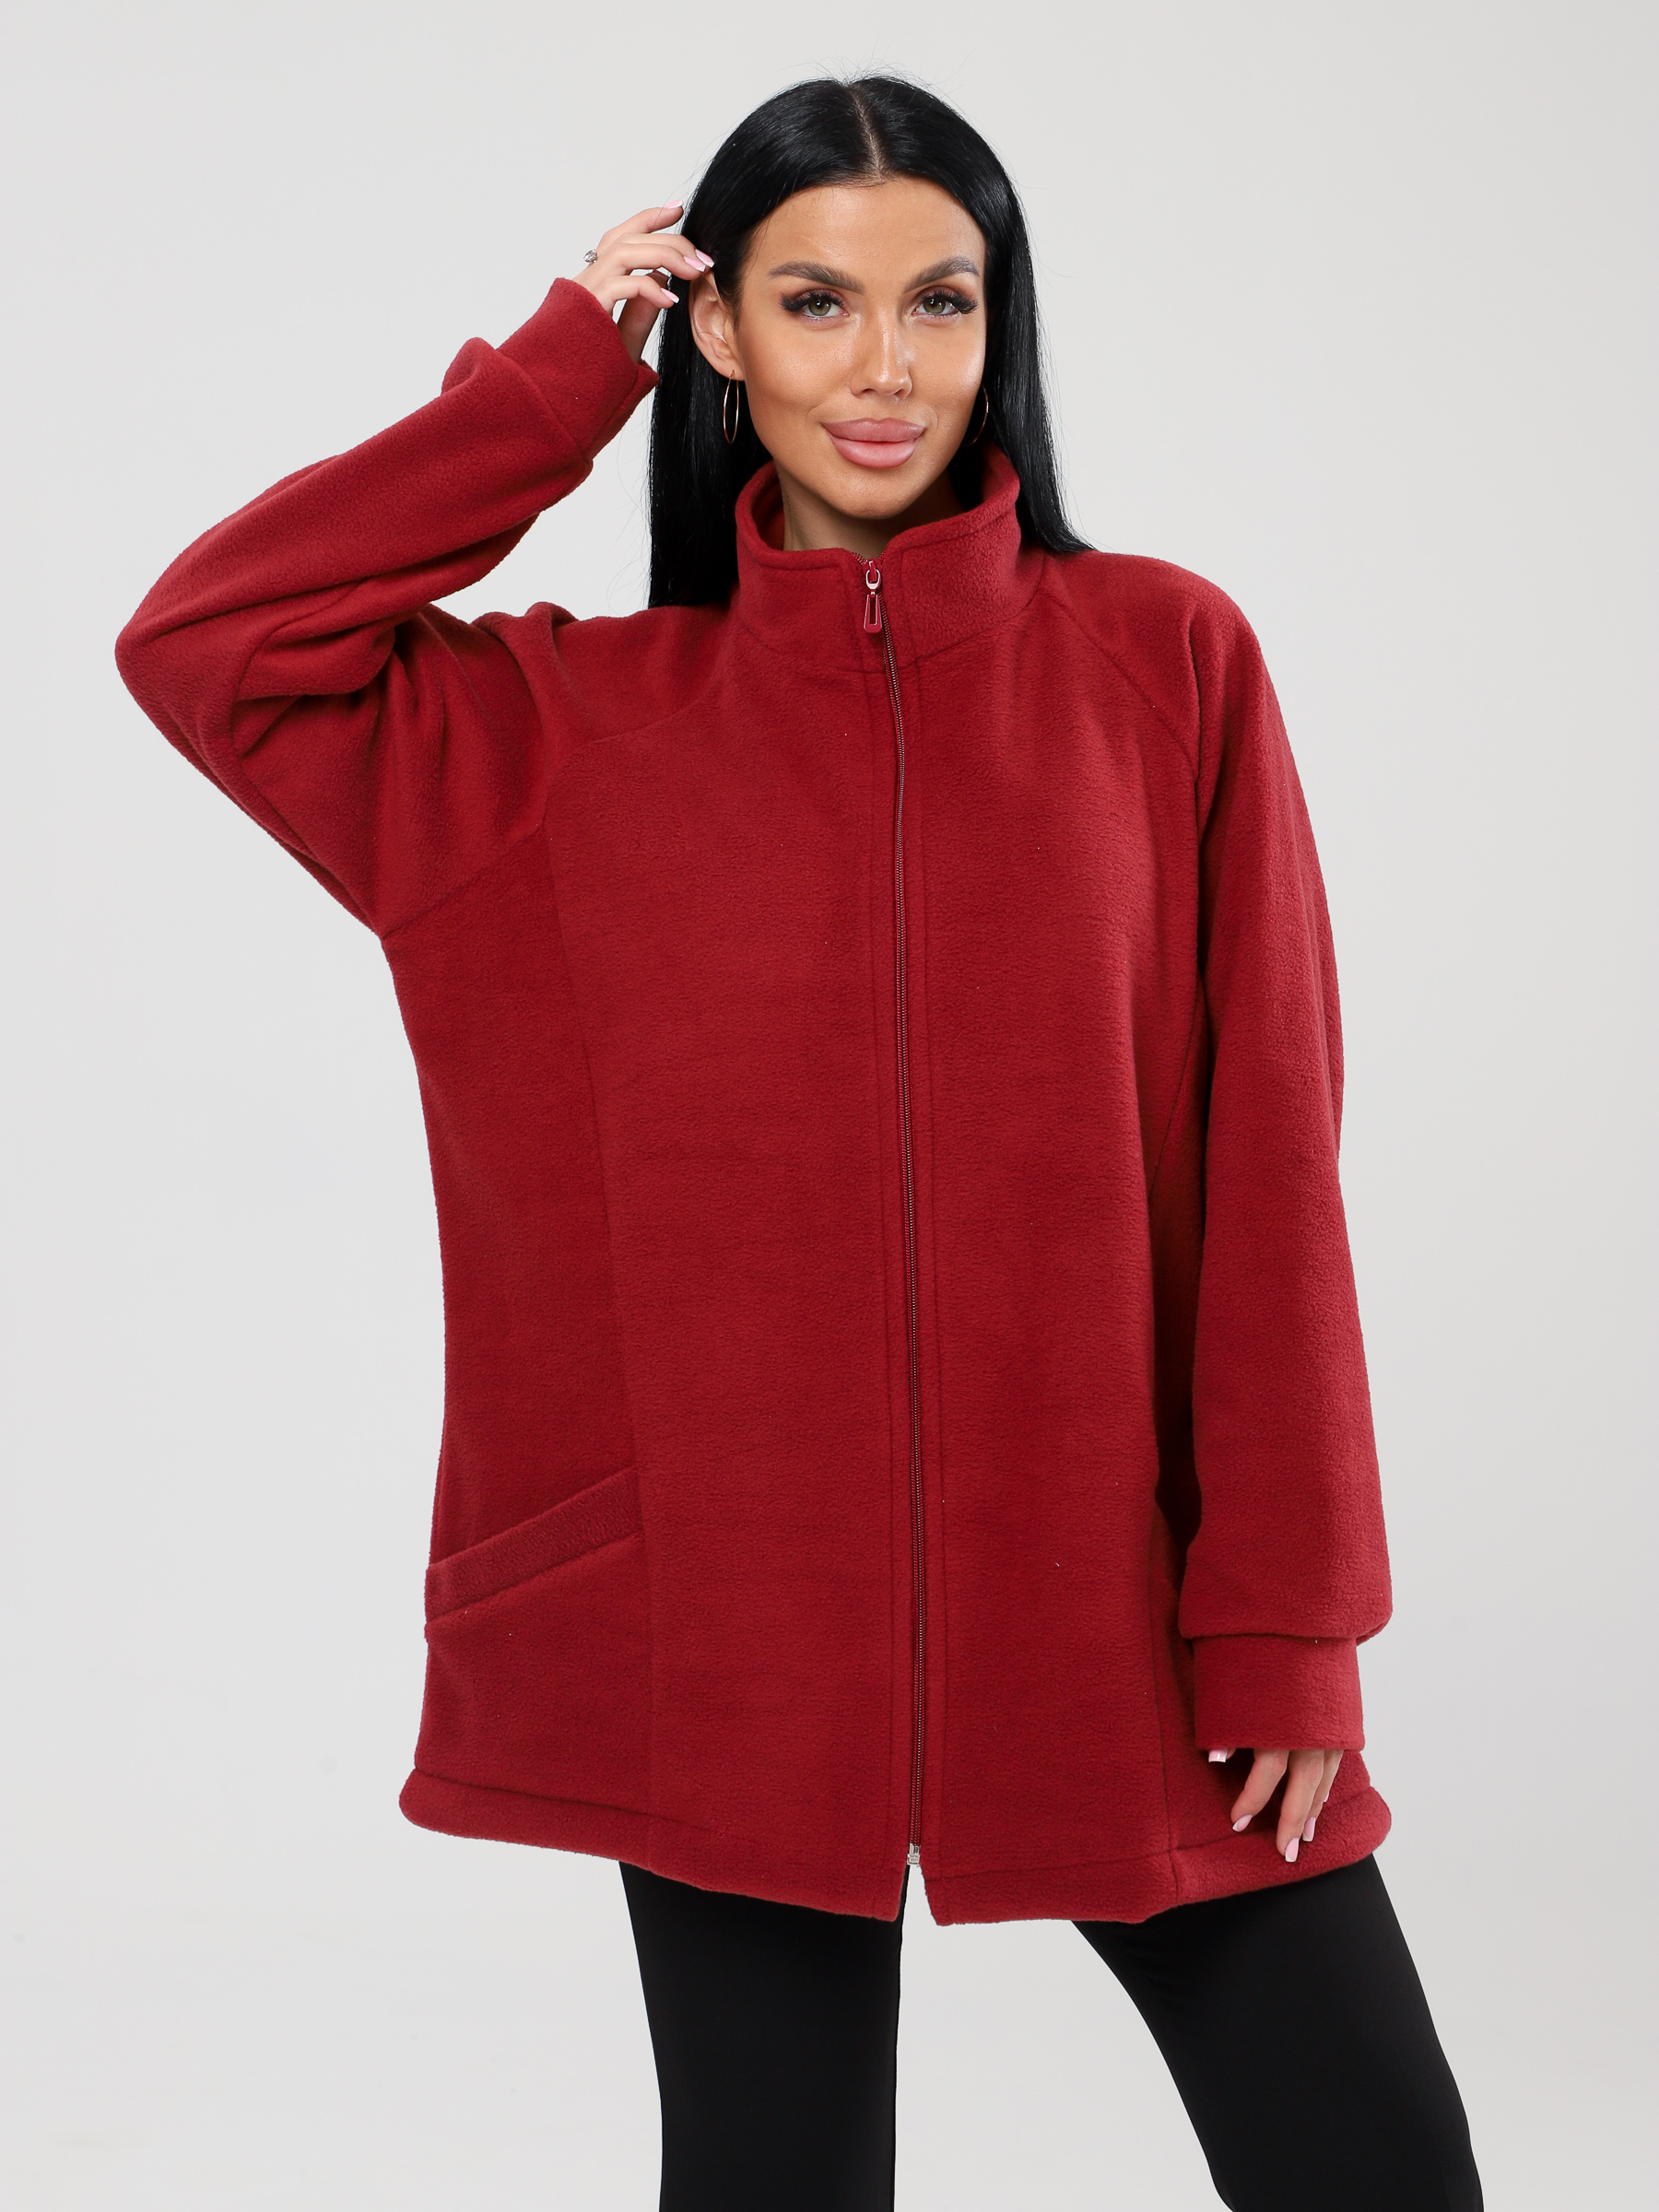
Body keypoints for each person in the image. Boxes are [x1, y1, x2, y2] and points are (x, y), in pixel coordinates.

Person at [114, 71, 1481, 2212]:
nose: (887, 365)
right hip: (724, 1628)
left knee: (1378, 2161)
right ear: (723, 335)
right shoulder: (553, 734)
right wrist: (558, 378)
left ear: (1000, 324)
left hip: (1120, 1601)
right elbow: (212, 647)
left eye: (941, 300)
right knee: (774, 2182)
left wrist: (1293, 1614)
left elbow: (1274, 1171)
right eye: (817, 303)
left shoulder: (1165, 667)